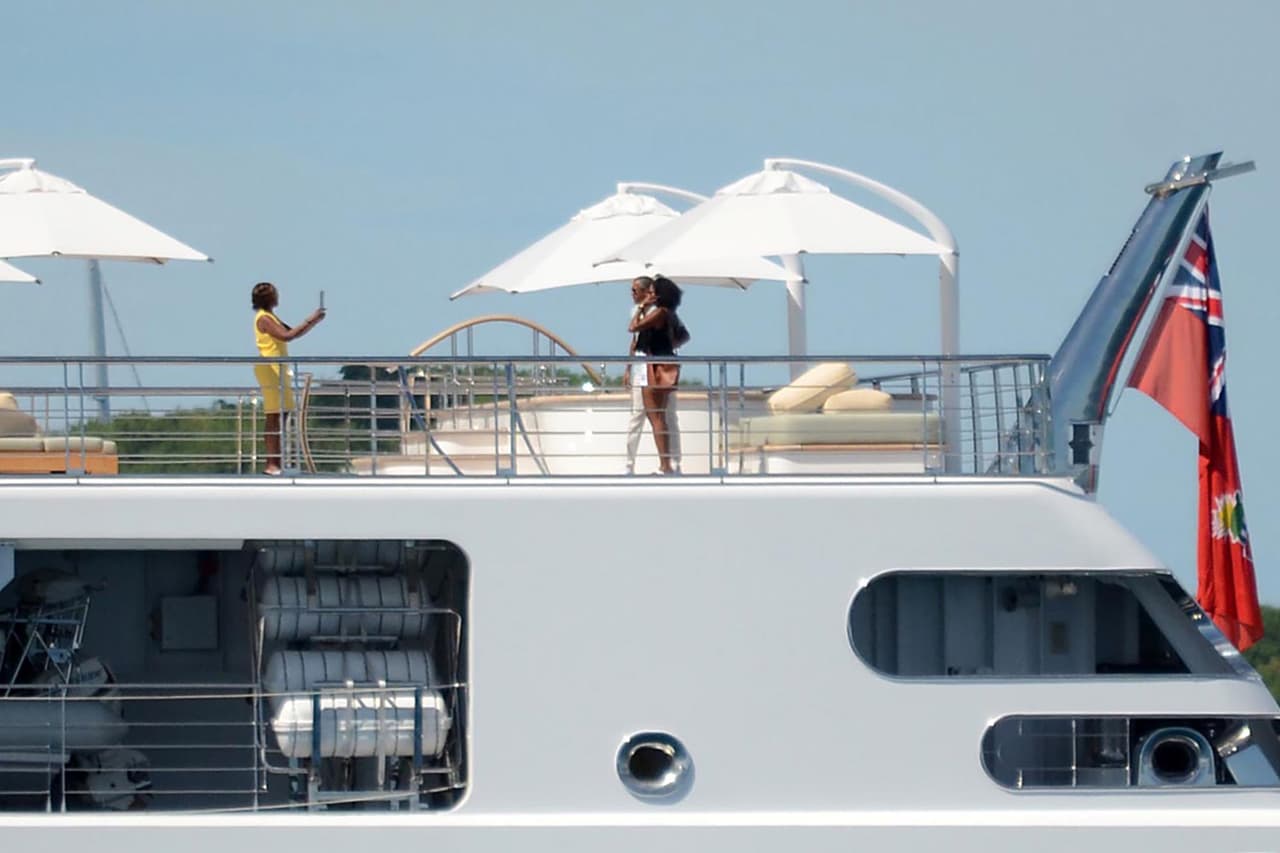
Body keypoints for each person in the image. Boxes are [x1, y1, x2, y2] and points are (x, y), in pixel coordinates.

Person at [251, 282, 325, 475]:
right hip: (270, 368)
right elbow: (286, 336)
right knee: (274, 414)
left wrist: (312, 322)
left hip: (278, 368)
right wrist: (311, 320)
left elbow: (291, 332)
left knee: (281, 414)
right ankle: (272, 463)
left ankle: (277, 461)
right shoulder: (264, 319)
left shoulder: (270, 317)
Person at [628, 275, 684, 474]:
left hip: (654, 366)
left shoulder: (659, 312)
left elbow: (633, 327)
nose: (648, 296)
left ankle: (665, 465)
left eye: (652, 293)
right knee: (659, 417)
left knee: (656, 417)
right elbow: (683, 336)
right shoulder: (668, 313)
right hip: (661, 363)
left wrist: (642, 307)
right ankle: (666, 463)